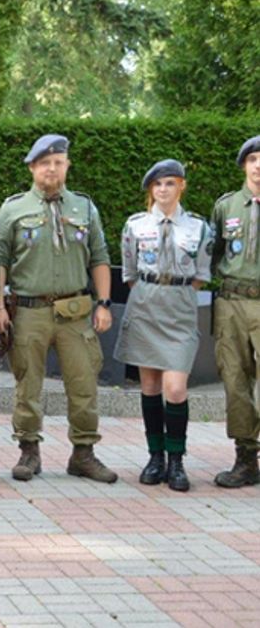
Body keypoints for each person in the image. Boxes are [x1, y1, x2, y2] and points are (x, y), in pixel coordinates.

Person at [0, 134, 116, 483]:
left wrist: (104, 303)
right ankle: (29, 452)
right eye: (44, 163)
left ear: (67, 165)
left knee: (83, 383)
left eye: (58, 162)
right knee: (27, 384)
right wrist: (0, 305)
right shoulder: (13, 209)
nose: (52, 168)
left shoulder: (84, 208)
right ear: (32, 167)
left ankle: (83, 453)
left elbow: (100, 257)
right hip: (28, 310)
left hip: (75, 310)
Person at [114, 159, 211, 493]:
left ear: (181, 185)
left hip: (180, 308)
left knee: (176, 388)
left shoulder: (198, 227)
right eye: (157, 185)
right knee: (151, 386)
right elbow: (128, 272)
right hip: (145, 306)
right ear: (150, 190)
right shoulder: (135, 224)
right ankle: (155, 457)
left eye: (170, 183)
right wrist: (150, 292)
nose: (163, 190)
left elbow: (201, 274)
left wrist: (176, 294)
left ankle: (177, 460)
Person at [209, 136, 260, 489]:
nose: (259, 165)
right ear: (244, 165)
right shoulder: (226, 207)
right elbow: (213, 256)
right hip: (231, 303)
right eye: (253, 159)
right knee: (235, 382)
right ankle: (246, 458)